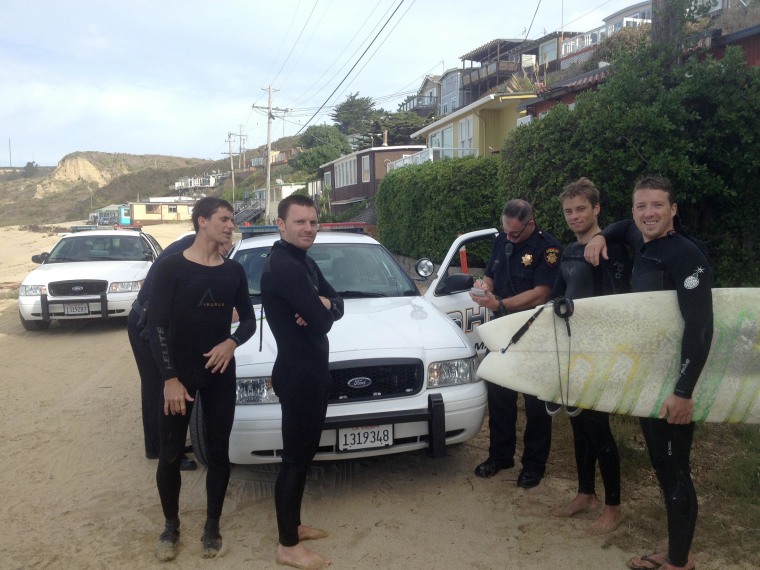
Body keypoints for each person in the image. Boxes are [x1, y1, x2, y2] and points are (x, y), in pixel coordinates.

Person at [584, 176, 713, 570]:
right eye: (641, 206)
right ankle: (679, 549)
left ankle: (679, 563)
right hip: (650, 380)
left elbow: (701, 326)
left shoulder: (685, 254)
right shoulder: (645, 242)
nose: (647, 214)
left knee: (675, 471)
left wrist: (684, 390)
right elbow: (622, 226)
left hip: (676, 382)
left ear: (674, 209)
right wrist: (601, 235)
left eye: (657, 205)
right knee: (663, 467)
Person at [147, 197, 256, 561]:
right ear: (202, 221)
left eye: (231, 220)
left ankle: (212, 525)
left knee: (219, 453)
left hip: (220, 374)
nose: (230, 225)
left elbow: (250, 323)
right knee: (171, 453)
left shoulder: (233, 271)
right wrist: (170, 378)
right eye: (224, 219)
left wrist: (231, 341)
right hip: (180, 375)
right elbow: (156, 326)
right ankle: (171, 526)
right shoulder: (171, 268)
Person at [261, 194, 344, 570]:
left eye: (313, 221)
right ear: (281, 224)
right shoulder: (283, 266)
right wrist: (321, 308)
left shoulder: (303, 261)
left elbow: (336, 304)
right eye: (300, 222)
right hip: (297, 375)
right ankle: (287, 546)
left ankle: (292, 524)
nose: (309, 228)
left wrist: (322, 304)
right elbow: (326, 321)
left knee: (304, 456)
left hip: (311, 372)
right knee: (294, 460)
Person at [549, 178, 630, 535]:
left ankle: (613, 508)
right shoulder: (567, 252)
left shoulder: (612, 249)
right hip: (572, 350)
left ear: (596, 209)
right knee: (578, 426)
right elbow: (556, 297)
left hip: (602, 353)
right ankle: (585, 494)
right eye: (568, 211)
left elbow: (620, 303)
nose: (574, 216)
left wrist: (604, 238)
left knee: (599, 430)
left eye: (581, 209)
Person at [469, 199, 561, 488]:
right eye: (506, 231)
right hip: (502, 332)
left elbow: (541, 293)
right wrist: (484, 287)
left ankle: (533, 465)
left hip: (534, 332)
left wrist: (502, 303)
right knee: (500, 397)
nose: (509, 237)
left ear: (530, 224)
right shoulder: (501, 240)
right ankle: (500, 456)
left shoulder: (548, 249)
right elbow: (491, 275)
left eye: (515, 233)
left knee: (535, 403)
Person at [127, 232, 197, 472]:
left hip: (143, 317)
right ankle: (166, 452)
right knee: (160, 385)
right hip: (146, 323)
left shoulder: (188, 246)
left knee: (152, 385)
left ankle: (156, 446)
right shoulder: (187, 253)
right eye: (224, 222)